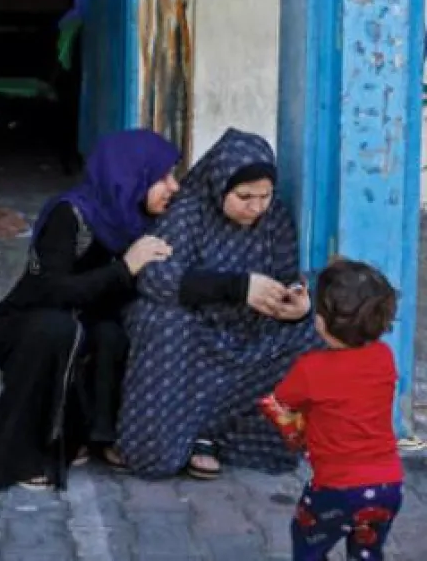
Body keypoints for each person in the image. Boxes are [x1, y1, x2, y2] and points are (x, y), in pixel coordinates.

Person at [0, 129, 181, 492]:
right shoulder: (70, 215)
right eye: (162, 177)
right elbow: (52, 291)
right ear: (132, 176)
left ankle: (99, 434)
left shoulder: (140, 220)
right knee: (59, 327)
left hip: (82, 329)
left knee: (111, 332)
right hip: (24, 327)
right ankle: (21, 453)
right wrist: (124, 269)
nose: (174, 186)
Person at [117, 128, 320, 480]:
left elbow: (287, 275)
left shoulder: (275, 219)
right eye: (244, 196)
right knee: (159, 319)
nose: (256, 207)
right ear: (221, 185)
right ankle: (164, 442)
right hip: (196, 333)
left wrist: (295, 303)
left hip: (249, 332)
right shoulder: (188, 214)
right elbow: (154, 278)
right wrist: (238, 288)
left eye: (265, 196)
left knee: (313, 334)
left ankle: (215, 434)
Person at [262, 259, 403, 561]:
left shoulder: (310, 369)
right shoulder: (384, 357)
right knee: (367, 551)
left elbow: (281, 401)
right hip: (388, 486)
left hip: (336, 488)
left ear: (322, 321)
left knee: (307, 541)